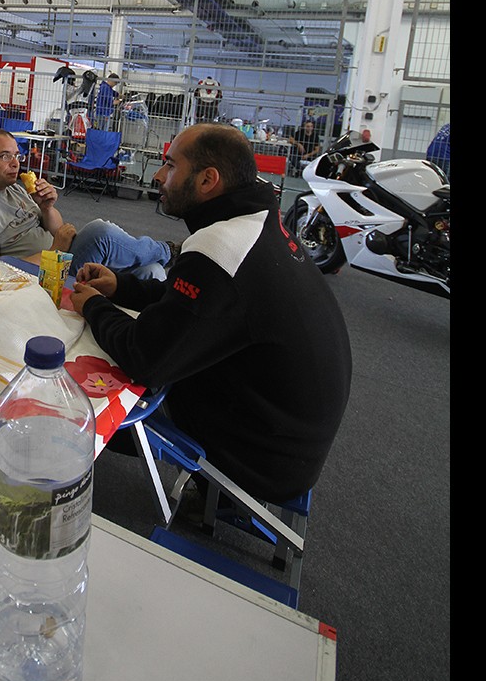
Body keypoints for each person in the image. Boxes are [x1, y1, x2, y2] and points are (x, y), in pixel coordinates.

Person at [70, 123, 352, 503]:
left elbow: (145, 358)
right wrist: (121, 288)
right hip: (289, 439)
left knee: (80, 402)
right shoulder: (256, 224)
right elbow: (190, 302)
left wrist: (93, 306)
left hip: (260, 460)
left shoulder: (221, 248)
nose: (158, 176)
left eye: (170, 166)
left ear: (207, 180)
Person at [0, 128, 178, 279]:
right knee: (100, 232)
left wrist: (46, 207)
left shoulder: (13, 189)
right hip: (40, 276)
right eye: (5, 156)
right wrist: (55, 250)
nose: (15, 163)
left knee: (152, 272)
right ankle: (172, 251)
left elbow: (57, 229)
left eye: (17, 156)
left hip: (59, 255)